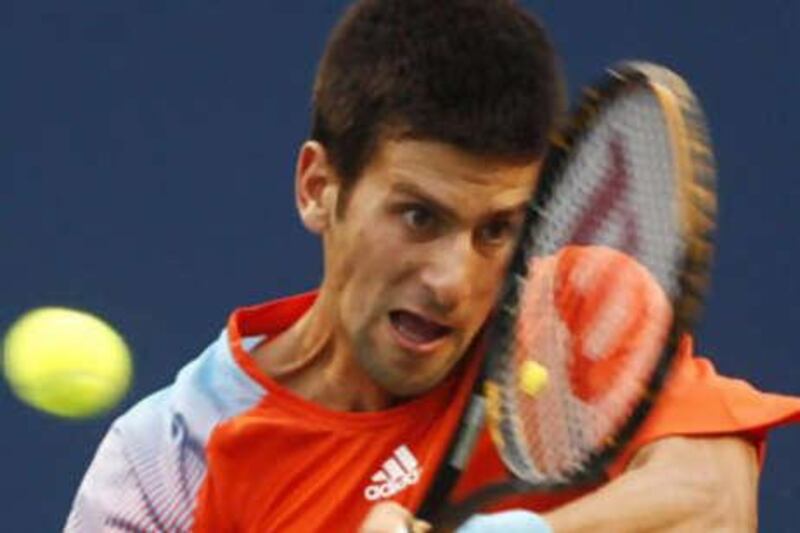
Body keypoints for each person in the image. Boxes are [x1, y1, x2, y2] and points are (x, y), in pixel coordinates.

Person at [66, 1, 800, 531]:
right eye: (419, 216)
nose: (453, 280)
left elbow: (712, 503)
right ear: (319, 189)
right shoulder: (166, 464)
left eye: (498, 229)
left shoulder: (575, 312)